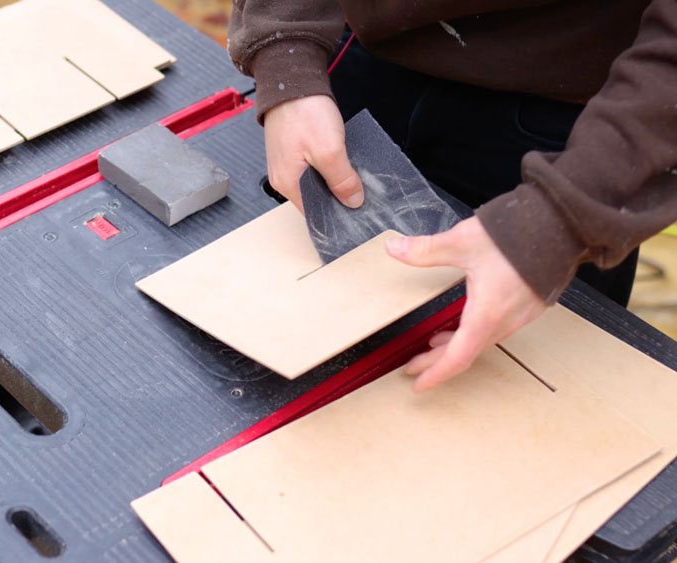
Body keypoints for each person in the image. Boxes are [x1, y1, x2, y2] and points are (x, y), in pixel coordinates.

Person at [228, 0, 677, 391]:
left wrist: (563, 219)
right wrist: (284, 58)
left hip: (583, 128)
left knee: (520, 397)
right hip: (354, 57)